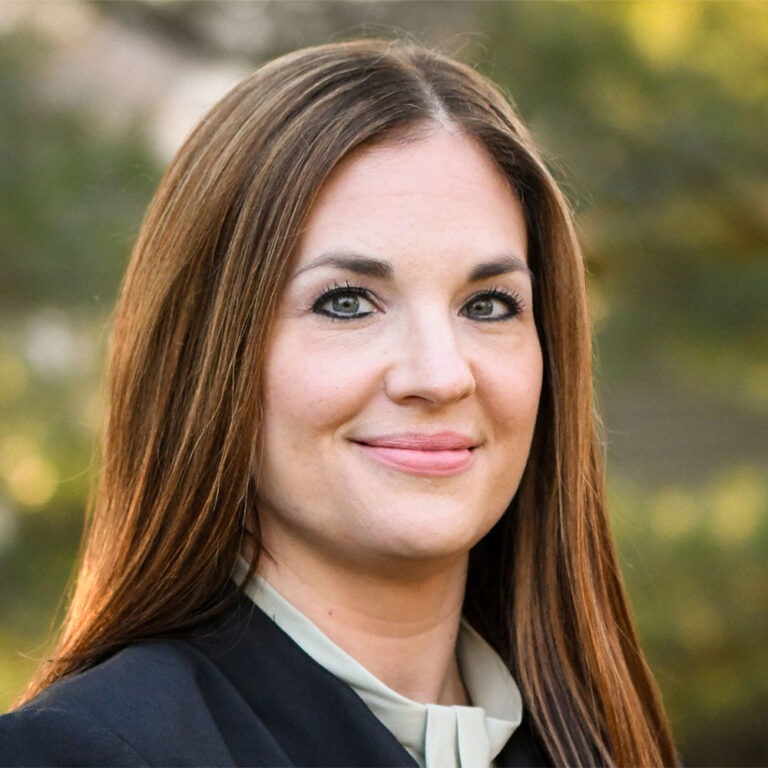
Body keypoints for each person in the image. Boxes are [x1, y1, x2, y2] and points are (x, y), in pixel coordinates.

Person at [0, 39, 677, 767]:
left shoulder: (600, 744)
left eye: (487, 304)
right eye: (347, 302)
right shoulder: (86, 752)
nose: (441, 375)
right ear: (208, 355)